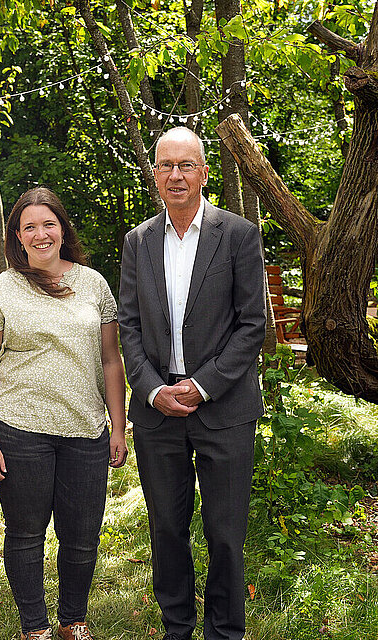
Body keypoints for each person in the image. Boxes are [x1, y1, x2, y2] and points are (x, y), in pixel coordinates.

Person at [118, 127, 266, 640]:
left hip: (223, 408)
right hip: (158, 410)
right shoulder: (138, 241)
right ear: (154, 174)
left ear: (204, 172)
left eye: (186, 165)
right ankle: (176, 629)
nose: (175, 175)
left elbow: (253, 325)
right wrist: (153, 389)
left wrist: (202, 386)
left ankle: (225, 632)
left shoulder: (239, 235)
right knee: (166, 531)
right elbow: (129, 325)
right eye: (165, 166)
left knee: (225, 534)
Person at [0, 187, 128, 640]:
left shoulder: (93, 283)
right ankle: (34, 629)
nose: (41, 235)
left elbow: (110, 360)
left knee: (81, 539)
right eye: (30, 227)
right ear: (17, 237)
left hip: (86, 430)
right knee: (26, 534)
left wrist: (118, 425)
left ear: (62, 229)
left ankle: (72, 622)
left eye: (49, 224)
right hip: (21, 431)